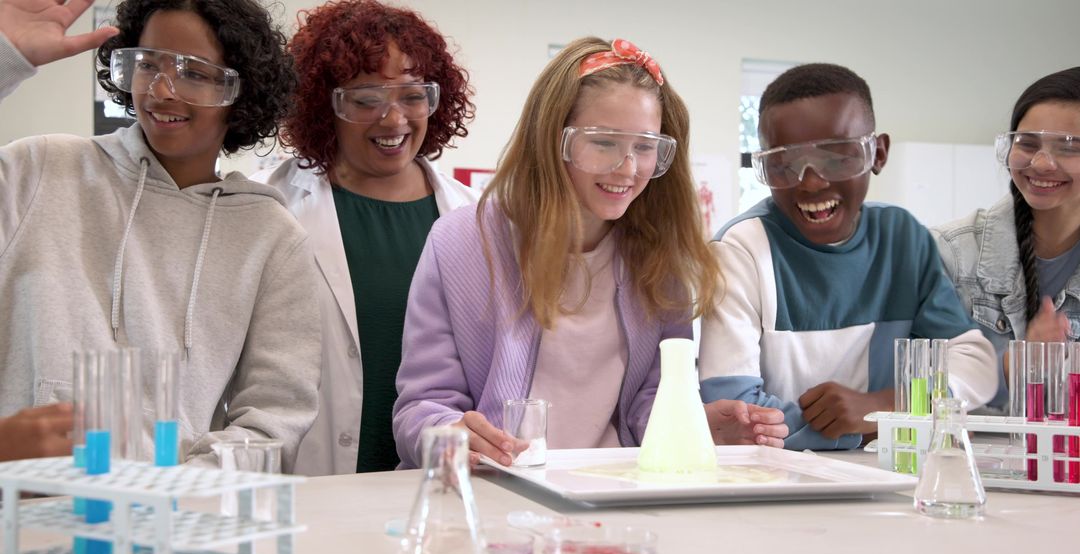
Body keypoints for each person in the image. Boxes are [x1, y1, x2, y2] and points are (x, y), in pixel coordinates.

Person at [392, 37, 788, 469]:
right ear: (552, 140)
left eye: (644, 145)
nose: (627, 168)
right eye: (603, 143)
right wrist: (448, 435)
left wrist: (695, 426)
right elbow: (421, 408)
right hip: (497, 494)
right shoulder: (460, 243)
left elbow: (647, 407)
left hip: (613, 493)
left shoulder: (659, 258)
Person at [0, 0, 320, 471]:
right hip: (22, 511)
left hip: (172, 526)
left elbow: (275, 417)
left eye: (193, 71)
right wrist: (6, 58)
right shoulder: (38, 171)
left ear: (240, 89)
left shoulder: (269, 235)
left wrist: (180, 494)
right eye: (147, 64)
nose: (161, 91)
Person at [698, 63, 997, 450]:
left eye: (838, 156)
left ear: (878, 153)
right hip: (775, 481)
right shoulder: (740, 252)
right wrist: (883, 424)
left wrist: (883, 405)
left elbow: (974, 362)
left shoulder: (903, 239)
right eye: (784, 165)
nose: (811, 182)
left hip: (889, 480)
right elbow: (737, 413)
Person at [253, 0, 478, 475]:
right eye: (366, 99)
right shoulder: (270, 207)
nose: (393, 120)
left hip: (434, 482)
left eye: (413, 96)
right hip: (311, 481)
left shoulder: (473, 219)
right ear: (323, 105)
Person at [933, 67, 1080, 410]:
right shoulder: (949, 252)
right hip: (965, 460)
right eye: (1028, 144)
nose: (1042, 163)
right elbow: (911, 389)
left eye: (1070, 147)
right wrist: (1011, 366)